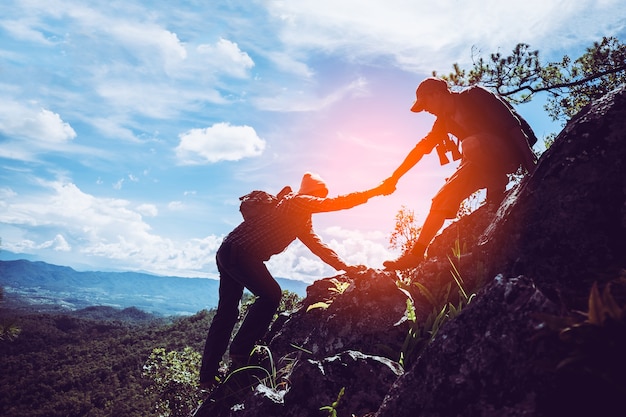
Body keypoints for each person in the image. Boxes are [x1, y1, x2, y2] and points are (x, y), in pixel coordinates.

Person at [199, 172, 392, 389]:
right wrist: (375, 191)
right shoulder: (297, 202)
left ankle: (208, 376)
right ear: (312, 193)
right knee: (270, 295)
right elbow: (337, 203)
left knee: (227, 312)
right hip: (240, 254)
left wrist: (345, 267)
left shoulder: (300, 219)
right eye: (319, 194)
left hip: (228, 251)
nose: (319, 199)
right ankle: (241, 351)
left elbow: (320, 248)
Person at [383, 77, 537, 270]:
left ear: (437, 94)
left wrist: (531, 163)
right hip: (479, 158)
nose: (427, 110)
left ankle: (495, 193)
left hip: (510, 151)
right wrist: (394, 177)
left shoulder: (474, 95)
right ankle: (415, 255)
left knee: (469, 145)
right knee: (442, 196)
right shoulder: (443, 122)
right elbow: (421, 149)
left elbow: (512, 125)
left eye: (426, 104)